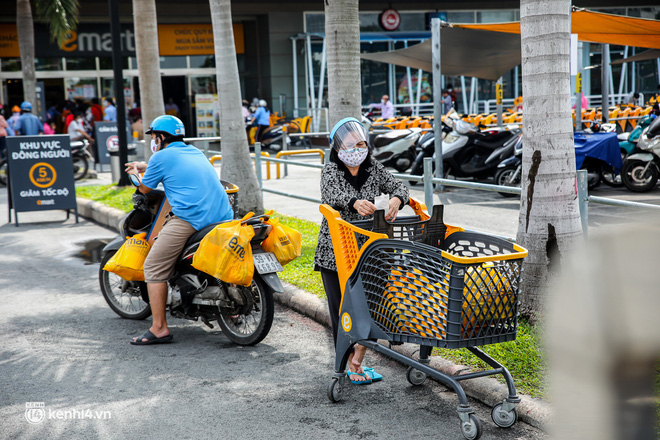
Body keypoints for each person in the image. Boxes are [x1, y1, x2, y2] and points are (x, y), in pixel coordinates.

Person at [314, 117, 409, 384]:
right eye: (349, 145)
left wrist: (396, 199)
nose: (356, 149)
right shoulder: (331, 170)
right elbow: (330, 194)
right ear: (337, 148)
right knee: (342, 310)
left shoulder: (374, 168)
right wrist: (354, 202)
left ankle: (358, 361)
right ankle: (342, 366)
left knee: (370, 307)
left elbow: (400, 187)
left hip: (369, 252)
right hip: (335, 252)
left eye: (360, 143)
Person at [124, 115, 234, 345]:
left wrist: (134, 173)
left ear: (161, 137)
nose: (153, 141)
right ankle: (229, 308)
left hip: (192, 218)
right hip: (223, 216)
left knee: (153, 266)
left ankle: (159, 328)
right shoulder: (195, 152)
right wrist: (145, 165)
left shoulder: (161, 156)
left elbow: (143, 188)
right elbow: (169, 166)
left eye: (153, 136)